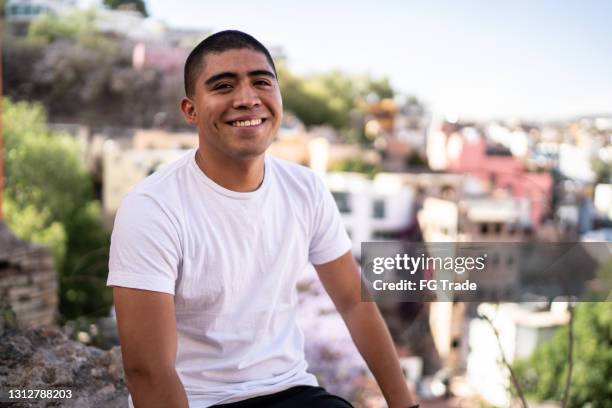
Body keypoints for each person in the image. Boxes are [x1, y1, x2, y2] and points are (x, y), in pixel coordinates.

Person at [107, 30, 419, 408]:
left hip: (291, 392)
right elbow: (147, 370)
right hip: (200, 401)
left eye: (261, 82)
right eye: (223, 86)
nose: (246, 99)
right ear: (190, 110)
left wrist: (406, 406)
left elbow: (355, 301)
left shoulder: (305, 189)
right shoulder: (152, 207)